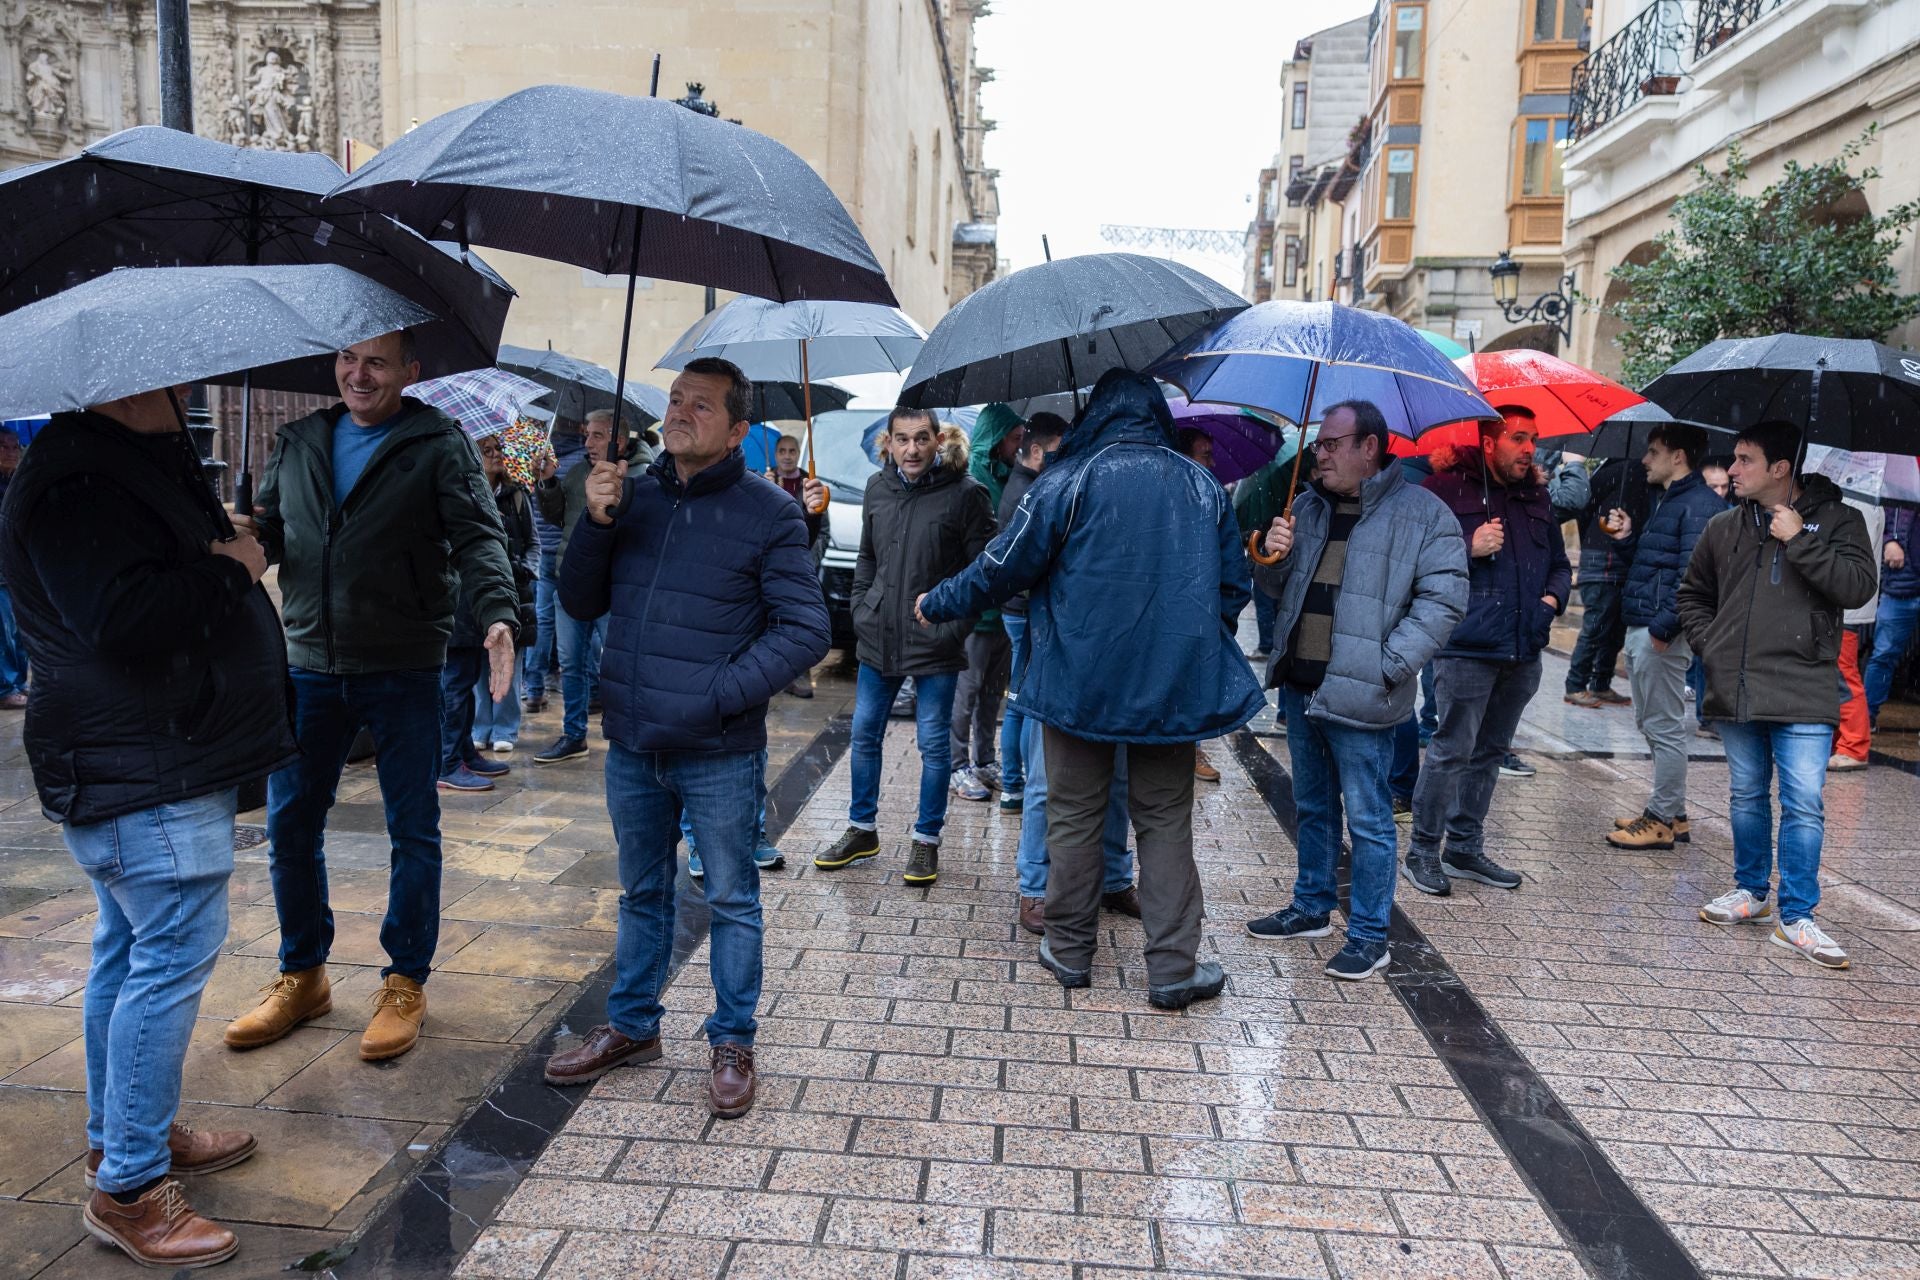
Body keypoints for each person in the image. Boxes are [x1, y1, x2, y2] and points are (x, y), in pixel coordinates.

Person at [1, 385, 297, 1267]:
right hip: (142, 758)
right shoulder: (77, 483)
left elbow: (140, 580)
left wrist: (215, 542)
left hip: (155, 750)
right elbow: (124, 619)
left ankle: (129, 1136)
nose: (185, 397)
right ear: (126, 389)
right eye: (171, 383)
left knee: (130, 953)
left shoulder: (112, 465)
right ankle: (128, 1189)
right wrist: (233, 566)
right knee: (164, 957)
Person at [919, 370, 1266, 1010]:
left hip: (1077, 686)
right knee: (1164, 823)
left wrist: (936, 600)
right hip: (1172, 693)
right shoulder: (1201, 485)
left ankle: (1070, 951)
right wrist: (1187, 648)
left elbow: (1003, 567)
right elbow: (1232, 588)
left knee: (1074, 818)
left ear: (1096, 417)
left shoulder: (1066, 479)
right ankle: (1171, 969)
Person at [543, 357, 828, 1117]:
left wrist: (720, 695)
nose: (678, 413)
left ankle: (732, 1040)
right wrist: (595, 522)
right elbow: (578, 597)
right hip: (634, 739)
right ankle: (632, 1027)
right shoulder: (628, 497)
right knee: (642, 892)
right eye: (674, 401)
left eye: (700, 406)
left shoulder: (769, 513)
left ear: (738, 431)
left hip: (718, 750)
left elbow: (806, 628)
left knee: (731, 898)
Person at [227, 329, 519, 1063]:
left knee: (412, 830)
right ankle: (303, 973)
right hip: (307, 667)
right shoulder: (297, 441)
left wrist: (497, 614)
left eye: (377, 362)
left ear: (409, 372)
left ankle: (404, 981)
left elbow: (480, 536)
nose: (358, 374)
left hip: (404, 667)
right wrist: (244, 537)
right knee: (291, 826)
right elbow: (275, 536)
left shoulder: (437, 443)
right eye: (348, 359)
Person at [1244, 400, 1467, 980]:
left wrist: (1390, 664)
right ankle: (1312, 907)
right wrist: (1274, 553)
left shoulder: (1423, 514)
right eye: (1319, 444)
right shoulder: (1308, 508)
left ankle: (1370, 934)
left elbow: (1444, 600)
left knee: (1368, 818)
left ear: (1370, 447)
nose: (1320, 454)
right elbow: (1274, 589)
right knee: (1313, 806)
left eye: (1332, 443)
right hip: (1302, 684)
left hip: (1365, 693)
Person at [1678, 421, 1873, 969]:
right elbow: (1693, 593)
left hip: (1805, 685)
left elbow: (1858, 588)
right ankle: (1750, 892)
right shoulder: (1723, 526)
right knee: (1745, 795)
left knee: (1804, 802)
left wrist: (1801, 540)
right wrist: (1711, 644)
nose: (1732, 470)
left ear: (1780, 468)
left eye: (1745, 460)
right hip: (1738, 683)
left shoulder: (1839, 520)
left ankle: (1797, 916)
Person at [813, 406, 995, 887]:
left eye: (921, 438)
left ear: (939, 440)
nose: (911, 449)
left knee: (934, 746)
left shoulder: (966, 495)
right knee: (864, 735)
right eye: (902, 439)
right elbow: (867, 556)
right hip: (879, 638)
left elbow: (984, 575)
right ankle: (861, 830)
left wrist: (954, 628)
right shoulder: (878, 488)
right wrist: (861, 609)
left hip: (936, 642)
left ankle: (926, 839)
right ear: (887, 444)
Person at [1409, 408, 1572, 896]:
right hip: (1466, 647)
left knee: (1490, 753)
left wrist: (1550, 602)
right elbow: (1416, 562)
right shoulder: (1444, 491)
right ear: (1486, 444)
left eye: (1534, 439)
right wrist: (1467, 545)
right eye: (1518, 438)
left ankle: (1464, 846)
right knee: (1450, 750)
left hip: (1523, 648)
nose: (1529, 449)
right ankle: (1423, 850)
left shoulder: (1537, 496)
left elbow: (1559, 566)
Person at [1600, 422, 1726, 849]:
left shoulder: (1698, 505)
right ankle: (1673, 811)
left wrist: (1664, 627)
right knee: (1651, 722)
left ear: (1678, 456)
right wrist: (1627, 537)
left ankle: (1660, 819)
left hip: (1660, 631)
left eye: (1653, 451)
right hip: (1647, 624)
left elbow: (1693, 575)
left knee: (1664, 725)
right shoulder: (1672, 500)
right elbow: (1653, 564)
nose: (1645, 460)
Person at [533, 410, 652, 763]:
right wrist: (549, 483)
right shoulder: (580, 471)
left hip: (613, 587)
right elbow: (560, 515)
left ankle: (625, 734)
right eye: (587, 434)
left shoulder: (643, 475)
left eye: (596, 435)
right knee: (572, 664)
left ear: (618, 441)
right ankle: (574, 735)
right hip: (570, 580)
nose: (587, 442)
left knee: (616, 664)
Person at [451, 432, 539, 781]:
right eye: (486, 450)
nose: (495, 455)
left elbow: (533, 543)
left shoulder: (516, 495)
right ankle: (478, 731)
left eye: (498, 448)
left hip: (511, 591)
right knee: (471, 673)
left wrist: (523, 569)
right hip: (469, 596)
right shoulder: (460, 492)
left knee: (507, 663)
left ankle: (504, 730)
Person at [949, 403, 1024, 801]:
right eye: (1015, 437)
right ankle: (957, 765)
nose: (1021, 444)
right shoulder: (973, 479)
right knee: (968, 689)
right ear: (997, 439)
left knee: (994, 692)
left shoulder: (1014, 475)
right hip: (977, 610)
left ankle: (984, 759)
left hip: (1005, 607)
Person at [997, 411, 1067, 815]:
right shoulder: (1028, 491)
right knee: (1022, 701)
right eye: (1057, 450)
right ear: (1036, 450)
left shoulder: (1022, 484)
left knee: (1018, 696)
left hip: (1017, 607)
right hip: (1024, 609)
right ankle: (1014, 784)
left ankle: (1013, 783)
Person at [1565, 455, 1650, 709]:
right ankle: (1576, 685)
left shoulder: (1620, 468)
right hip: (1604, 559)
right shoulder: (1626, 468)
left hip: (1613, 557)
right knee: (1597, 625)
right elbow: (1584, 506)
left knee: (1613, 628)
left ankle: (1600, 683)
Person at [1177, 426, 1227, 784]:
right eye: (1205, 454)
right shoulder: (1173, 501)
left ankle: (1189, 747)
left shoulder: (1211, 499)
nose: (1212, 461)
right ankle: (1186, 749)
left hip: (1198, 620)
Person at [1830, 496, 1883, 772]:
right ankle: (1845, 741)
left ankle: (1854, 744)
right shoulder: (1864, 502)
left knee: (1842, 674)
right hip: (1844, 606)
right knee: (1838, 673)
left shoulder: (1857, 503)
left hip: (1843, 607)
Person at [770, 433, 822, 700]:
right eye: (782, 451)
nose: (787, 455)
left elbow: (819, 528)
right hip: (772, 564)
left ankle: (801, 673)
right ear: (776, 454)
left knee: (801, 621)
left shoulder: (809, 484)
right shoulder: (765, 480)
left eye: (792, 450)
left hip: (801, 563)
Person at [521, 432, 568, 713]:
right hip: (564, 551)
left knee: (542, 622)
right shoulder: (578, 463)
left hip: (541, 550)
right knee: (572, 624)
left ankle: (534, 689)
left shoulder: (537, 455)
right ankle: (588, 688)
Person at [1864, 505, 1920, 727]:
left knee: (1883, 655)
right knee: (1883, 655)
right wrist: (1889, 541)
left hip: (1901, 583)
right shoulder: (1900, 483)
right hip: (1900, 585)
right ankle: (1866, 718)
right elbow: (1876, 520)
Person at [1232, 456, 1288, 659]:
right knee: (1269, 603)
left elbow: (1252, 533)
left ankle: (1266, 645)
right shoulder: (1277, 501)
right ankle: (1270, 644)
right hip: (1264, 560)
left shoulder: (1268, 504)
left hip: (1263, 558)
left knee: (1265, 603)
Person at [0, 427, 27, 709]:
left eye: (14, 446)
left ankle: (18, 682)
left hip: (15, 568)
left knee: (19, 629)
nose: (11, 452)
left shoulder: (17, 481)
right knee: (3, 630)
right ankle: (5, 688)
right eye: (4, 447)